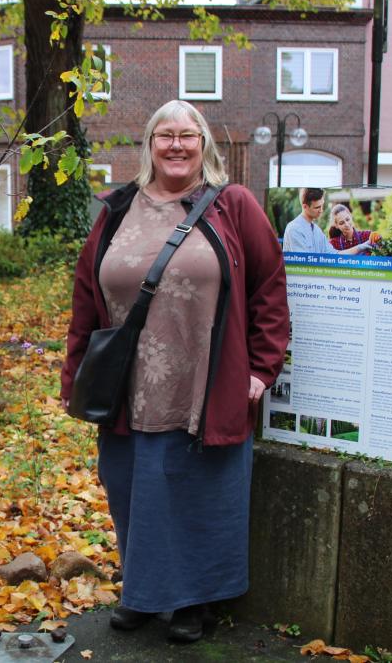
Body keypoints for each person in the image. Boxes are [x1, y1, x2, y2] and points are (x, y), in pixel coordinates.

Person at [60, 100, 290, 644]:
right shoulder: (117, 209)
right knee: (130, 488)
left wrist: (260, 369)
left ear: (204, 143)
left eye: (188, 135)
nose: (177, 145)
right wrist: (76, 376)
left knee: (201, 492)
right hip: (128, 386)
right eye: (165, 135)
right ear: (149, 145)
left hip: (206, 382)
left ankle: (194, 602)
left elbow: (270, 289)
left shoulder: (232, 206)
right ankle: (143, 592)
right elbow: (88, 298)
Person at [281, 187, 331, 253]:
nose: (321, 210)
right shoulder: (294, 229)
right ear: (305, 207)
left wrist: (349, 251)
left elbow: (333, 253)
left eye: (322, 206)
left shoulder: (317, 230)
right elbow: (303, 262)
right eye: (317, 207)